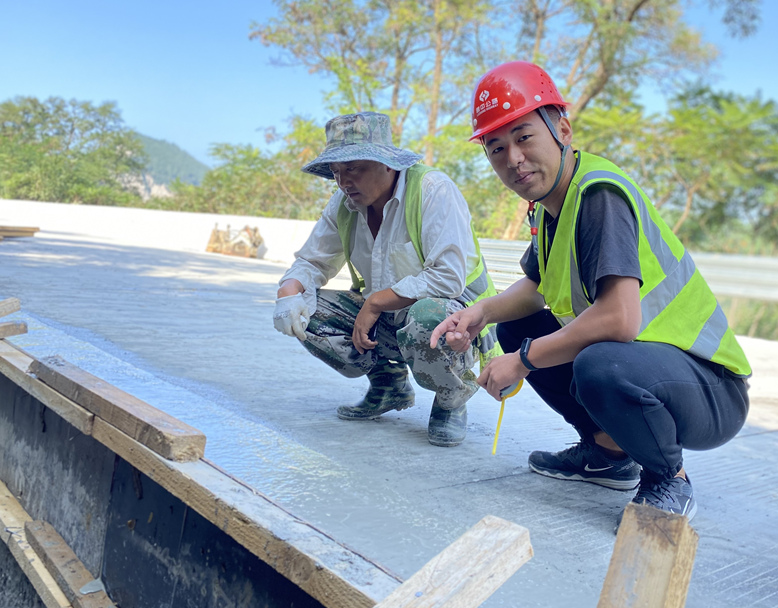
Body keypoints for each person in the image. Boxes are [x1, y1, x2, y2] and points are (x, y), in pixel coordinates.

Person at [431, 62, 751, 518]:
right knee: (517, 327)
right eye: (496, 148)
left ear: (563, 130)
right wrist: (480, 312)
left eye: (524, 137)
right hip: (651, 369)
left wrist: (522, 361)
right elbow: (535, 290)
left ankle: (668, 478)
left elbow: (619, 320)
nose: (513, 158)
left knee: (597, 363)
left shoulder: (598, 195)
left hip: (710, 389)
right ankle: (608, 453)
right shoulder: (550, 208)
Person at [272, 111, 500, 446]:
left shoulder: (432, 190)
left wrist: (376, 302)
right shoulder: (344, 204)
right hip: (388, 319)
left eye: (354, 168)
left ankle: (452, 397)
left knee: (427, 316)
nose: (343, 182)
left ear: (388, 164)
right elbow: (311, 261)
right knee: (309, 310)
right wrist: (289, 292)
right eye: (336, 172)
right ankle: (389, 385)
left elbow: (447, 277)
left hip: (455, 321)